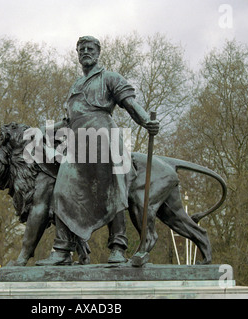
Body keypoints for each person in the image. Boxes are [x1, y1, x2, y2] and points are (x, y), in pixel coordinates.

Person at [36, 36, 159, 265]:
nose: (85, 52)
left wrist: (145, 121)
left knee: (113, 190)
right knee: (62, 191)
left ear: (98, 52)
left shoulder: (109, 78)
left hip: (104, 137)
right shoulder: (75, 85)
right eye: (81, 49)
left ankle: (118, 247)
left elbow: (130, 104)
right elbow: (70, 119)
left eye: (89, 48)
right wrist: (45, 130)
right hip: (78, 143)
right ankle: (62, 250)